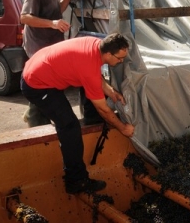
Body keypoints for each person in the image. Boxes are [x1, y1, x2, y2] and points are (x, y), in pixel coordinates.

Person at [20, 33, 135, 194]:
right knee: (69, 126)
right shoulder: (88, 68)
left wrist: (110, 91)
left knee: (65, 118)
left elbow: (95, 69)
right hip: (36, 84)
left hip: (42, 68)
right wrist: (123, 128)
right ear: (108, 54)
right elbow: (103, 110)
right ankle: (76, 180)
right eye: (119, 58)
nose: (121, 61)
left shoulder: (97, 45)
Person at [21, 0, 80, 127]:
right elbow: (24, 18)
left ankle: (35, 114)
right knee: (43, 84)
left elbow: (56, 12)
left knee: (46, 84)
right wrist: (53, 24)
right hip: (38, 47)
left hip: (49, 46)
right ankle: (34, 118)